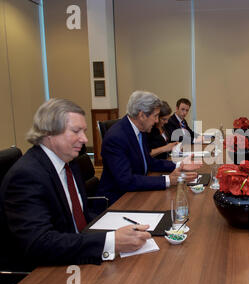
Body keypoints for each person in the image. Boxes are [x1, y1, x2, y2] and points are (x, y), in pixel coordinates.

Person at [0, 99, 151, 271]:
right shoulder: (26, 176)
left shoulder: (69, 162)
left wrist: (116, 228)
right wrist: (111, 241)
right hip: (43, 272)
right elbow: (39, 244)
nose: (85, 139)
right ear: (49, 132)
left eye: (84, 131)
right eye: (76, 131)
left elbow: (78, 216)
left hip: (75, 252)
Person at [97, 91, 200, 205]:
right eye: (155, 116)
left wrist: (179, 165)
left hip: (137, 190)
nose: (157, 121)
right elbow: (126, 181)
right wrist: (168, 180)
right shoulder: (116, 137)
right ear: (142, 115)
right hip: (118, 200)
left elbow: (149, 161)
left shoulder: (141, 130)